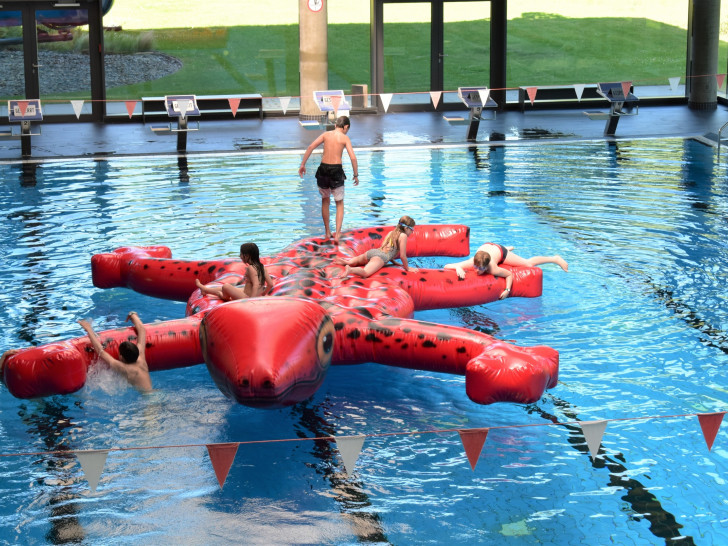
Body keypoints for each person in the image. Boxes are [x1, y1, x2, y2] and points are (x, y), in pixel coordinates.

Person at [298, 115, 359, 244]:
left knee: (325, 201)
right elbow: (353, 158)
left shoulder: (326, 134)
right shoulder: (345, 138)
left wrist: (303, 164)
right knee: (339, 203)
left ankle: (327, 232)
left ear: (336, 125)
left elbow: (310, 147)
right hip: (336, 170)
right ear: (346, 126)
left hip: (323, 169)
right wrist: (355, 174)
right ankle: (337, 235)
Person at [444, 243, 568, 300]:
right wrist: (458, 267)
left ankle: (554, 258)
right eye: (476, 267)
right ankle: (507, 248)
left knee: (528, 264)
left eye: (481, 269)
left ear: (487, 267)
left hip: (499, 251)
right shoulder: (473, 262)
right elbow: (447, 266)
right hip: (486, 248)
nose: (476, 271)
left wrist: (507, 290)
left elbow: (509, 274)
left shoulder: (493, 268)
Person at [77, 311, 152, 392]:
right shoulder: (141, 357)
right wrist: (133, 315)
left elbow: (100, 352)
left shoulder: (125, 369)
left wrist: (89, 329)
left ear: (122, 357)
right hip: (156, 393)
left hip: (149, 403)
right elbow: (142, 329)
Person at [335, 215, 418, 278]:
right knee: (366, 273)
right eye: (412, 230)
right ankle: (350, 269)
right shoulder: (403, 236)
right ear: (406, 228)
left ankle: (346, 262)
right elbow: (403, 256)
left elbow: (386, 249)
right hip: (380, 257)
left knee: (352, 262)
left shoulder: (391, 233)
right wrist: (407, 268)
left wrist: (395, 263)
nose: (412, 232)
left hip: (373, 252)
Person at [195, 242, 274, 301]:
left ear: (246, 256)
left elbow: (256, 285)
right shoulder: (262, 267)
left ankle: (223, 296)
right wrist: (263, 294)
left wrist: (251, 301)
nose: (240, 256)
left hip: (247, 297)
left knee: (226, 286)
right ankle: (205, 289)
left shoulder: (251, 268)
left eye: (241, 254)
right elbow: (270, 284)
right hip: (251, 294)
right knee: (234, 288)